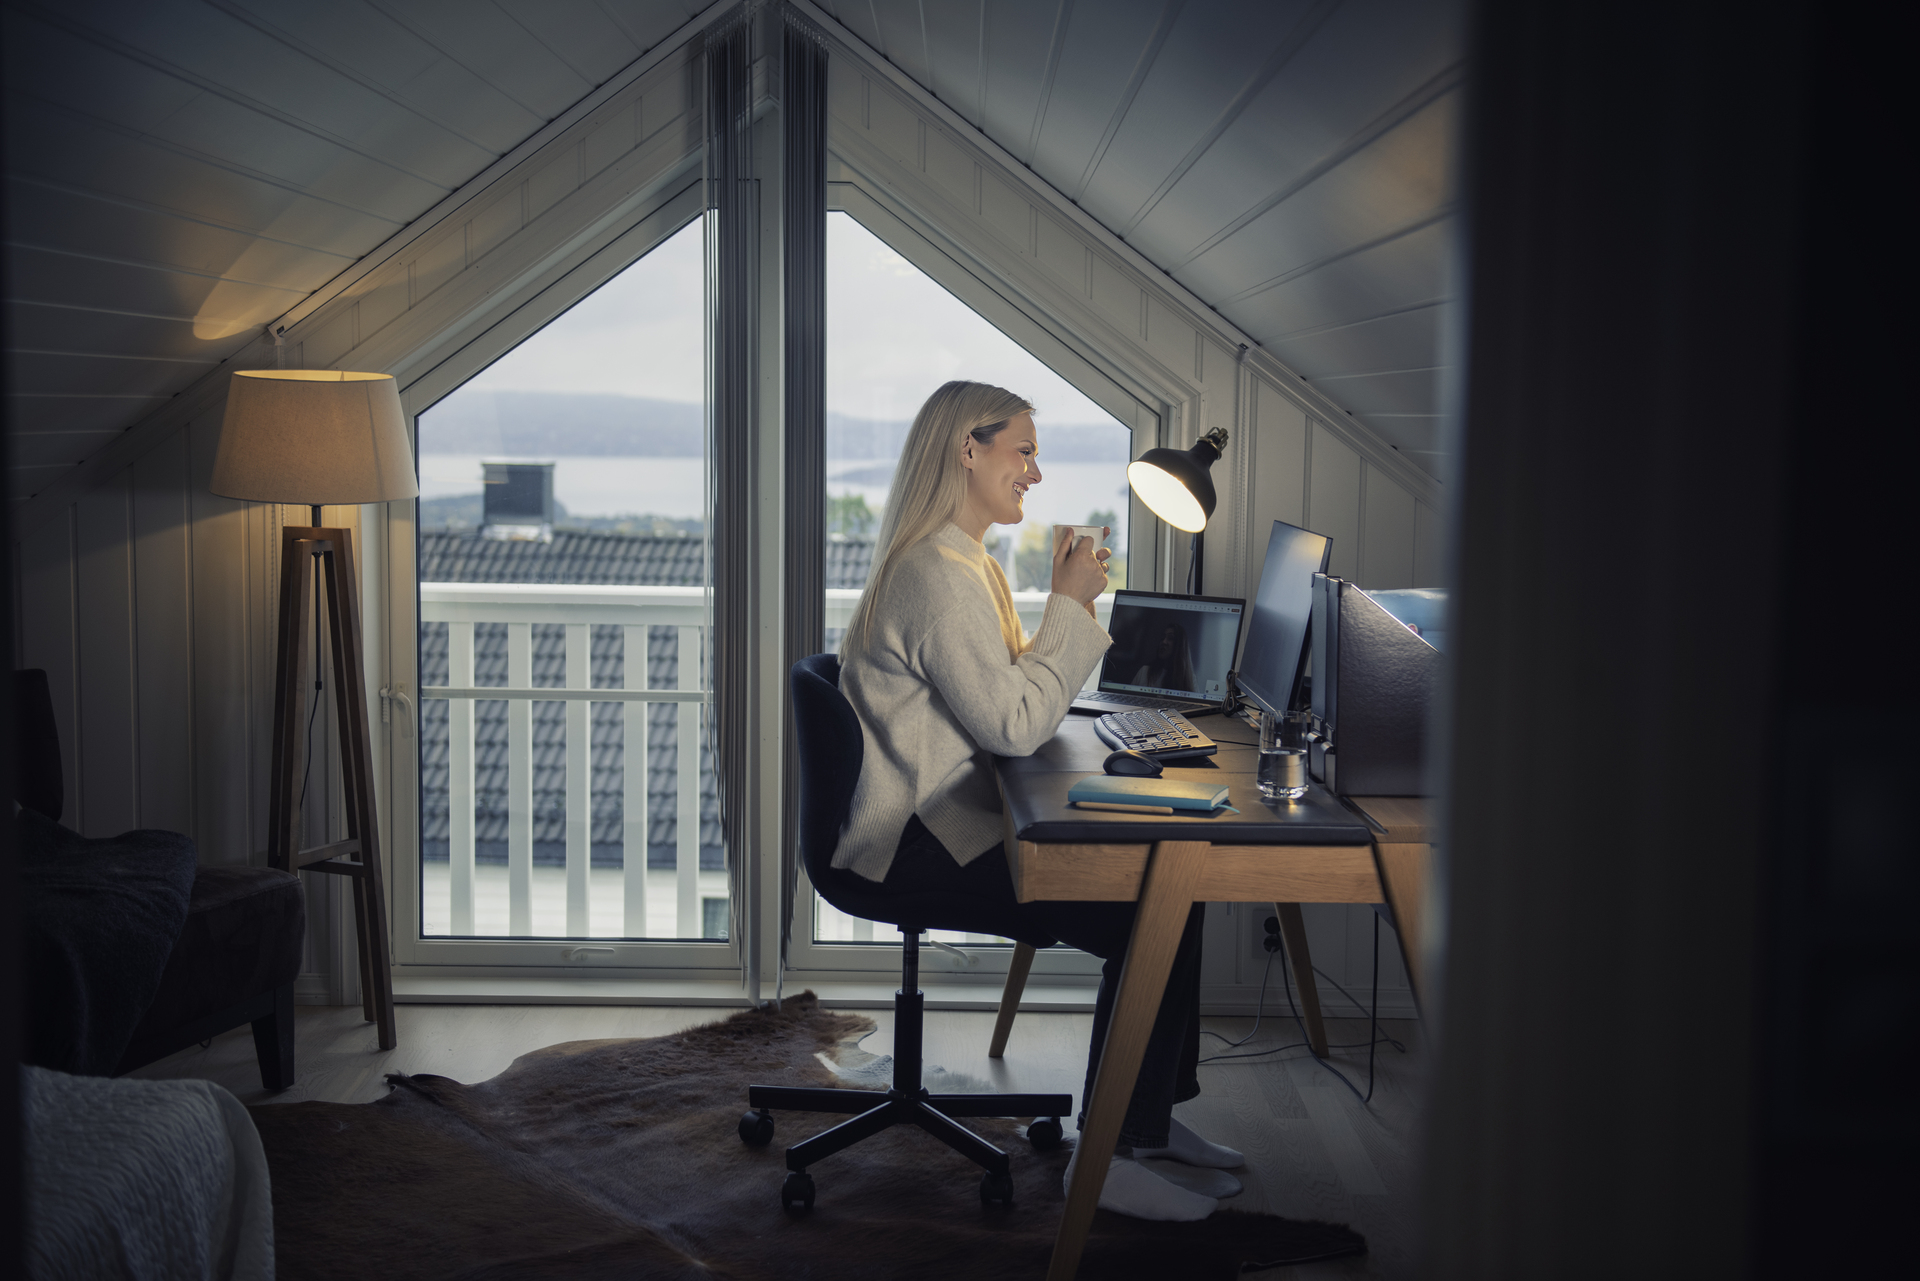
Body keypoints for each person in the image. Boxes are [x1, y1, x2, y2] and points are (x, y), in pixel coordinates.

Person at [830, 380, 1244, 1221]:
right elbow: (1016, 724)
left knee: (1174, 893)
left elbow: (1008, 695)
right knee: (1151, 906)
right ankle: (1111, 1156)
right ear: (967, 449)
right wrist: (1070, 605)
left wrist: (1060, 614)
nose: (1036, 472)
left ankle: (1144, 1126)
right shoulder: (936, 576)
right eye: (1023, 450)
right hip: (917, 843)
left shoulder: (963, 560)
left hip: (946, 819)